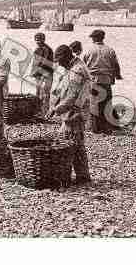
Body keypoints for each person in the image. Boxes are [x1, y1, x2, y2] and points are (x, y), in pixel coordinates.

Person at [47, 45, 91, 185]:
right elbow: (63, 90)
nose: (59, 64)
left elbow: (72, 96)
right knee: (76, 143)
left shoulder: (77, 70)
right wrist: (54, 102)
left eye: (60, 60)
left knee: (69, 142)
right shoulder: (72, 68)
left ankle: (71, 175)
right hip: (72, 111)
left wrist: (56, 109)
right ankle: (82, 176)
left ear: (67, 57)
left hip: (75, 111)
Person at [83, 29, 122, 134]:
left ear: (94, 38)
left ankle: (95, 128)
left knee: (94, 104)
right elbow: (115, 65)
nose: (92, 39)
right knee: (107, 103)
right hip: (106, 80)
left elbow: (84, 65)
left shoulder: (89, 50)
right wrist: (118, 75)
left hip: (93, 80)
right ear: (103, 38)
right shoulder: (110, 50)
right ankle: (107, 127)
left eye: (92, 37)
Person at [31, 33, 54, 115]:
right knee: (37, 92)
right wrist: (32, 72)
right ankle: (38, 111)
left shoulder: (47, 49)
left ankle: (45, 112)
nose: (38, 42)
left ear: (44, 40)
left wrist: (36, 71)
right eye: (36, 40)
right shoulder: (37, 49)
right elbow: (34, 62)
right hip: (39, 74)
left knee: (45, 93)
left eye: (39, 40)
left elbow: (45, 63)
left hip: (46, 74)